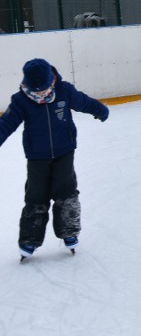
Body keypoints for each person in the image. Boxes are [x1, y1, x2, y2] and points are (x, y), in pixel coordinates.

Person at [0, 58, 109, 259]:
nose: (40, 94)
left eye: (44, 90)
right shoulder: (21, 100)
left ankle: (69, 232)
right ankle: (29, 240)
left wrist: (100, 109)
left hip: (64, 152)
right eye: (36, 90)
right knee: (36, 196)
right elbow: (6, 124)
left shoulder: (65, 91)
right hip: (36, 157)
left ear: (52, 80)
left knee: (66, 192)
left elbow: (83, 102)